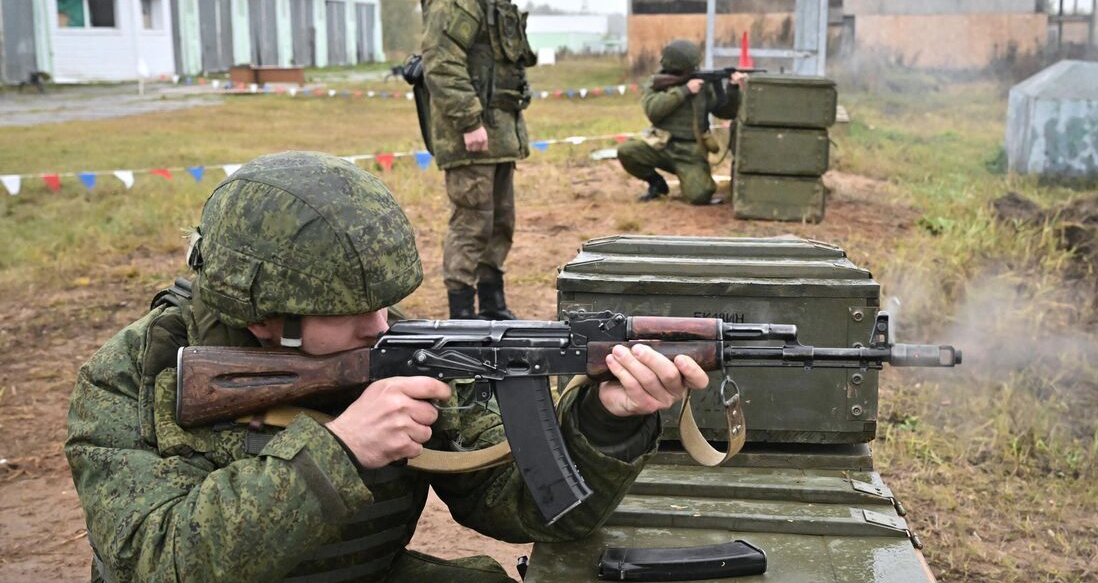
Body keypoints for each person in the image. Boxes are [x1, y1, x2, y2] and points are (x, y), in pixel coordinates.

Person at [64, 151, 710, 583]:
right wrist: (338, 452)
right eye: (347, 312)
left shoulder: (401, 346)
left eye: (383, 303)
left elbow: (529, 510)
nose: (380, 325)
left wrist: (603, 420)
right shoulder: (133, 374)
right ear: (263, 315)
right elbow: (151, 560)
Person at [420, 0, 536, 321]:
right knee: (472, 221)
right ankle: (463, 314)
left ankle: (492, 304)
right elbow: (442, 60)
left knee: (500, 221)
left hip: (500, 129)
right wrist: (469, 121)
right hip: (473, 131)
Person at [616, 39, 746, 205]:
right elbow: (653, 111)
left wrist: (733, 89)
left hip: (691, 152)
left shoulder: (703, 84)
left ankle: (689, 176)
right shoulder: (659, 82)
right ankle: (656, 183)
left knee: (700, 195)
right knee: (627, 150)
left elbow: (725, 112)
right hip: (661, 145)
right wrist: (684, 91)